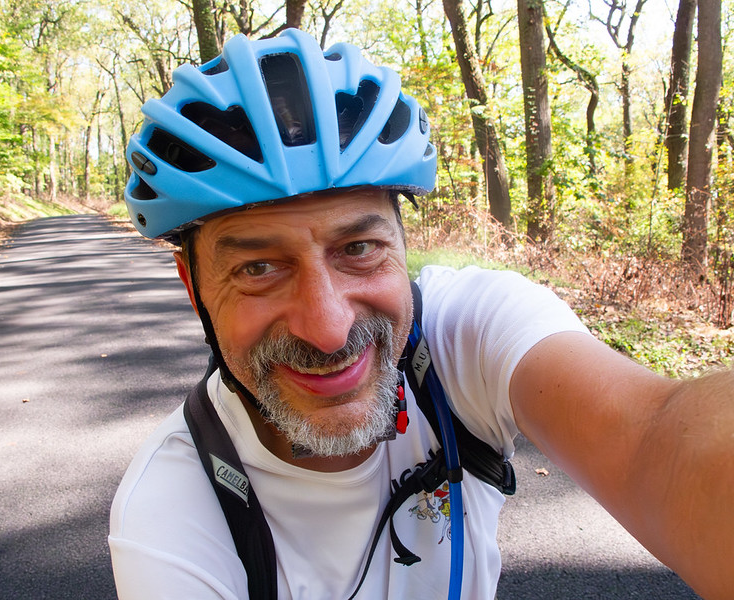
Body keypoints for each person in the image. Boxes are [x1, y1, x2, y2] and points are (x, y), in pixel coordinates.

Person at [108, 29, 733, 599]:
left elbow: (658, 442)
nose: (328, 329)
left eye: (358, 249)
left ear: (403, 248)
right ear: (194, 285)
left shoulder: (466, 331)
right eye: (259, 269)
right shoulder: (170, 519)